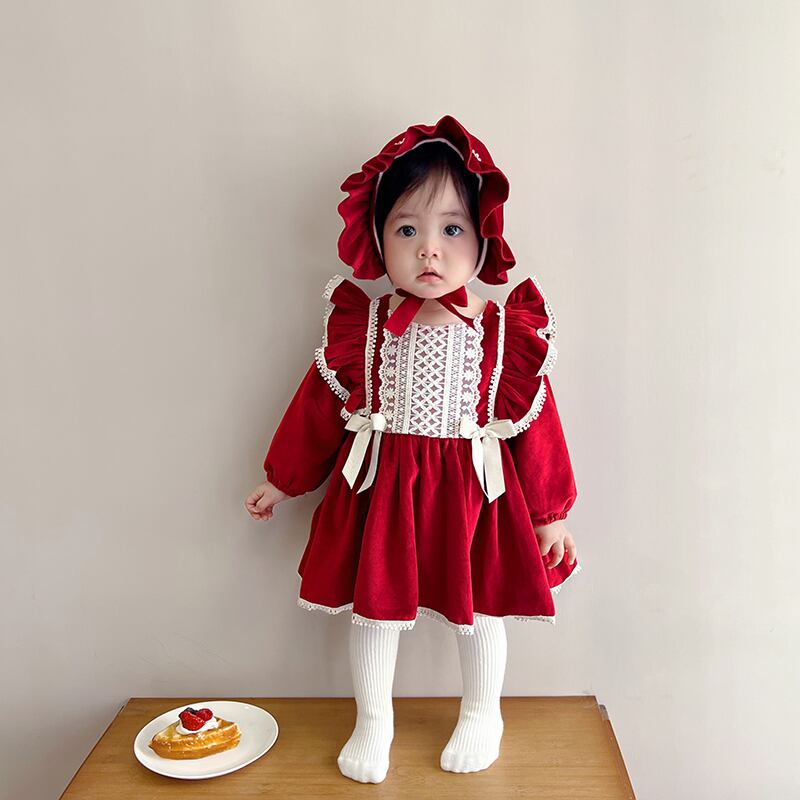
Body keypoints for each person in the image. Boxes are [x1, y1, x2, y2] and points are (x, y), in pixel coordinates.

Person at [245, 114, 581, 784]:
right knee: (374, 610)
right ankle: (374, 721)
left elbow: (538, 427)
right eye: (407, 230)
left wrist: (550, 513)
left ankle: (482, 712)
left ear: (483, 238)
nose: (429, 250)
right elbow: (317, 410)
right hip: (384, 492)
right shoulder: (363, 328)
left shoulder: (503, 335)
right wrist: (283, 479)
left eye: (451, 229)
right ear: (377, 240)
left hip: (475, 494)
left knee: (478, 611)